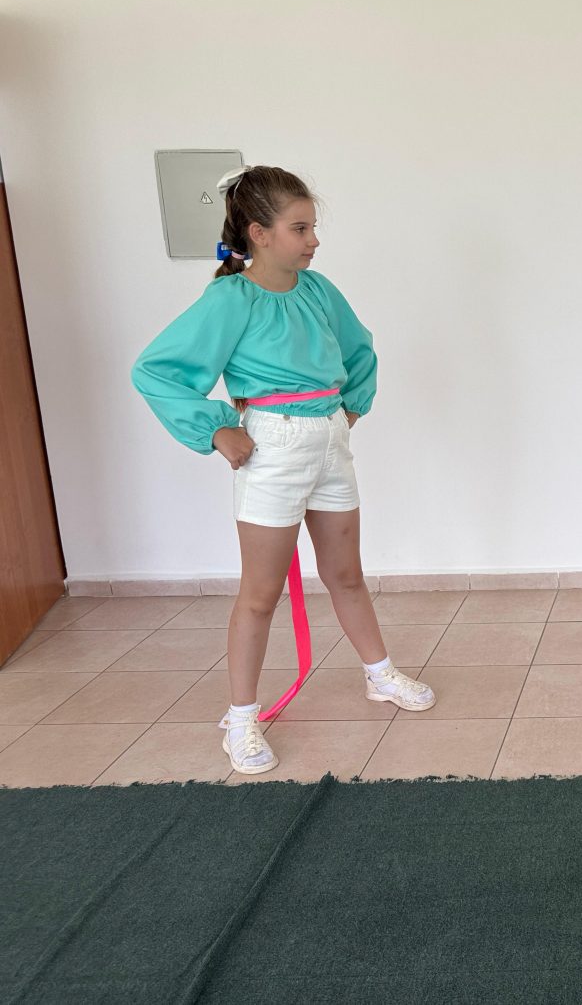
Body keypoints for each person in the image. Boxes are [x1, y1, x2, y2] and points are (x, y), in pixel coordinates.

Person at [132, 166, 435, 775]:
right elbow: (156, 370)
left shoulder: (318, 290)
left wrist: (351, 408)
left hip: (329, 440)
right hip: (271, 447)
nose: (313, 240)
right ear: (259, 233)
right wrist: (216, 429)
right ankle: (241, 717)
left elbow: (359, 349)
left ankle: (379, 674)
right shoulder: (231, 299)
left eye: (313, 227)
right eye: (300, 228)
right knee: (260, 593)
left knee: (346, 573)